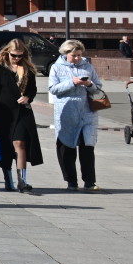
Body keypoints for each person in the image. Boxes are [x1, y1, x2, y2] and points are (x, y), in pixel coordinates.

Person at [0, 39, 43, 194]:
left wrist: (28, 97)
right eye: (14, 55)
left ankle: (22, 181)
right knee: (5, 148)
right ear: (7, 53)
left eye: (20, 56)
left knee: (20, 143)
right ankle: (8, 179)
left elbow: (33, 89)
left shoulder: (28, 71)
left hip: (23, 113)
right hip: (2, 115)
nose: (16, 58)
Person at [48, 40, 102, 191]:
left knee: (87, 147)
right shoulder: (56, 68)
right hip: (66, 111)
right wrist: (72, 82)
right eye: (74, 55)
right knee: (67, 147)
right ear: (65, 54)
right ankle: (71, 181)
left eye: (79, 55)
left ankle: (90, 181)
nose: (78, 58)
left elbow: (98, 88)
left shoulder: (88, 66)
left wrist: (89, 85)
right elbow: (53, 89)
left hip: (86, 112)